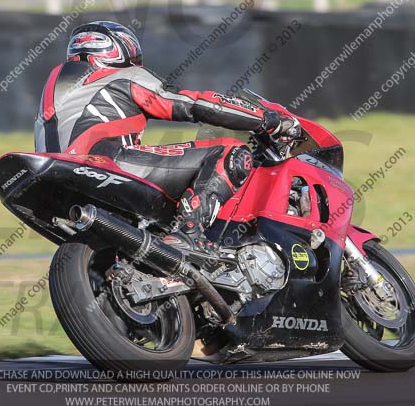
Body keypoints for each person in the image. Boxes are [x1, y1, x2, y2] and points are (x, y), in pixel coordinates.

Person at [35, 21, 301, 253]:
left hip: (51, 179)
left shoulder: (55, 85)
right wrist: (267, 120)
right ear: (118, 49)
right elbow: (193, 105)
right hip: (104, 162)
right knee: (231, 152)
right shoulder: (125, 75)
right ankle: (189, 232)